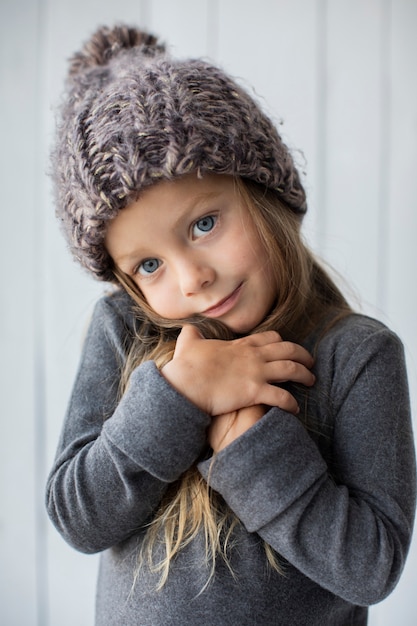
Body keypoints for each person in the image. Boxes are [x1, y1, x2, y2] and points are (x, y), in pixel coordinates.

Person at [46, 24, 416, 626]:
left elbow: (372, 568)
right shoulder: (124, 329)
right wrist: (176, 398)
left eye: (204, 225)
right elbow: (77, 516)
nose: (191, 278)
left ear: (263, 190)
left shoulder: (359, 355)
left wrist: (252, 450)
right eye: (148, 264)